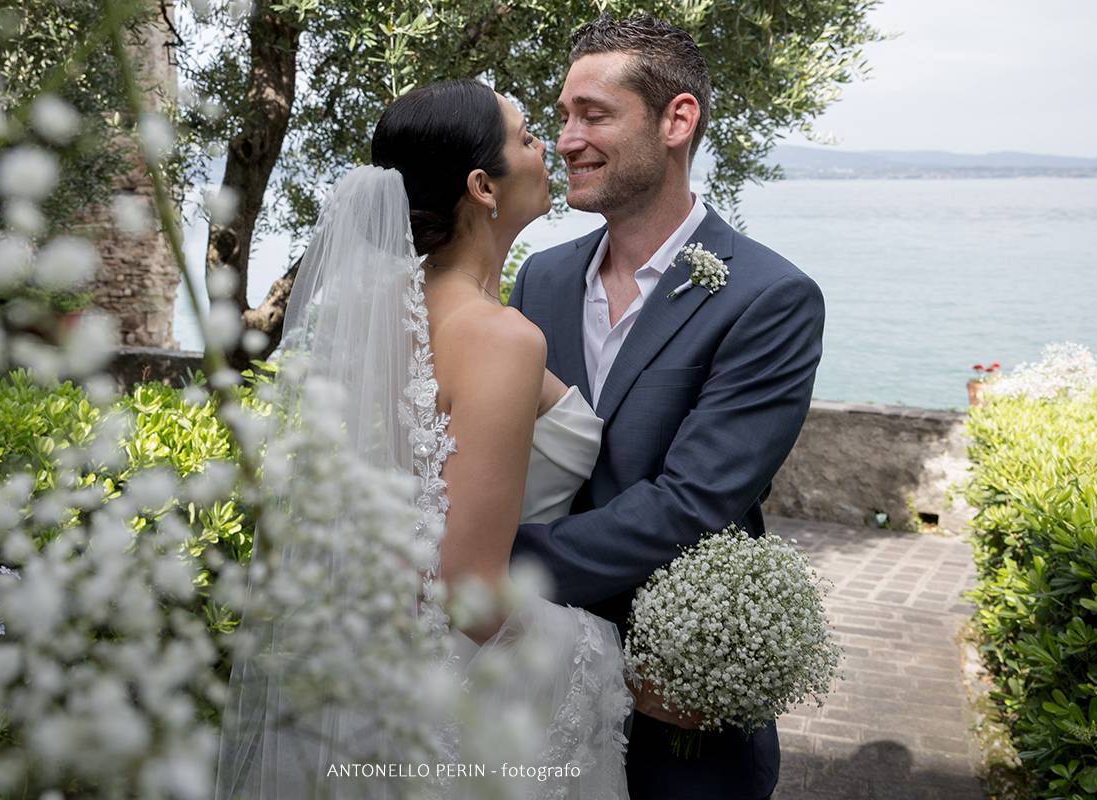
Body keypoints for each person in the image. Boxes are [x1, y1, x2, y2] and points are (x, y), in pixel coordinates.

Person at [215, 79, 635, 799]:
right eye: (529, 137)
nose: (550, 150)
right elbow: (466, 588)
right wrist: (599, 648)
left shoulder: (381, 309)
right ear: (481, 185)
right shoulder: (499, 339)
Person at [506, 15, 826, 800]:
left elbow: (693, 501)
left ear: (677, 120)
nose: (568, 140)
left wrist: (494, 568)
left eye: (594, 114)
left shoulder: (770, 298)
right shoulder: (540, 279)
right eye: (561, 117)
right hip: (527, 690)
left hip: (677, 723)